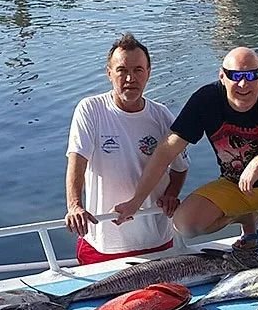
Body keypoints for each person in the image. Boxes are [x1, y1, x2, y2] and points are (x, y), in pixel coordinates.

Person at [113, 47, 258, 276]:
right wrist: (137, 200)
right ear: (222, 76)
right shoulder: (206, 100)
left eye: (251, 75)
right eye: (235, 76)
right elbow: (166, 151)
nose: (243, 84)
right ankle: (248, 217)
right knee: (185, 224)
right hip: (235, 185)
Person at [64, 33, 189, 265]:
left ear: (149, 73)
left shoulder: (162, 116)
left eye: (138, 70)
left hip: (156, 240)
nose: (130, 78)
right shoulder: (90, 110)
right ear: (109, 73)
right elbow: (77, 161)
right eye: (122, 70)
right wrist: (75, 205)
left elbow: (180, 167)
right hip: (102, 242)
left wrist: (172, 193)